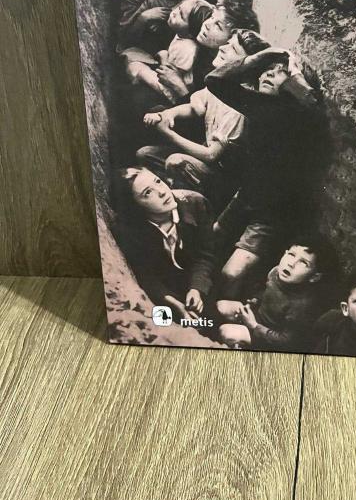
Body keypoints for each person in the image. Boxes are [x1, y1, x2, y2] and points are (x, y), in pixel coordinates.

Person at [205, 46, 325, 298]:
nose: (269, 74)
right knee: (214, 237)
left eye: (280, 72)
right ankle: (203, 289)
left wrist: (295, 74)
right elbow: (215, 81)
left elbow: (313, 107)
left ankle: (225, 310)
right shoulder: (260, 105)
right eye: (267, 70)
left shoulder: (298, 115)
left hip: (274, 212)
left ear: (292, 85)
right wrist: (260, 56)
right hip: (247, 196)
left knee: (232, 273)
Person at [136, 29, 270, 209]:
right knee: (145, 154)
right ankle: (171, 193)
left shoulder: (238, 108)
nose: (222, 48)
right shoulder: (220, 83)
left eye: (232, 48)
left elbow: (211, 155)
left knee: (176, 162)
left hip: (223, 176)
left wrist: (168, 133)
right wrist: (167, 115)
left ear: (244, 66)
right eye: (227, 43)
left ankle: (195, 207)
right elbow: (195, 107)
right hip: (204, 160)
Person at [114, 167, 216, 322]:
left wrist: (196, 289)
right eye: (148, 193)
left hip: (200, 281)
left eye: (158, 181)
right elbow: (145, 275)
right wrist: (174, 304)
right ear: (134, 205)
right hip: (165, 291)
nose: (162, 192)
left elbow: (206, 255)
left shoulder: (196, 203)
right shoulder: (130, 231)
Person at [216, 239, 331, 351]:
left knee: (226, 332)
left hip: (270, 339)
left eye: (303, 262)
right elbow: (266, 291)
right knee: (221, 306)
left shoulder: (302, 306)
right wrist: (255, 301)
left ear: (314, 277)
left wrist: (254, 326)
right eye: (291, 255)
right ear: (285, 253)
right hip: (257, 318)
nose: (291, 264)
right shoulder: (276, 272)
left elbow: (286, 342)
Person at [123, 0, 208, 102]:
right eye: (179, 8)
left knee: (135, 68)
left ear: (191, 33)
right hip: (168, 72)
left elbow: (170, 74)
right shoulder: (180, 34)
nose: (174, 13)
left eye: (181, 16)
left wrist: (162, 57)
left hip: (172, 89)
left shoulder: (188, 49)